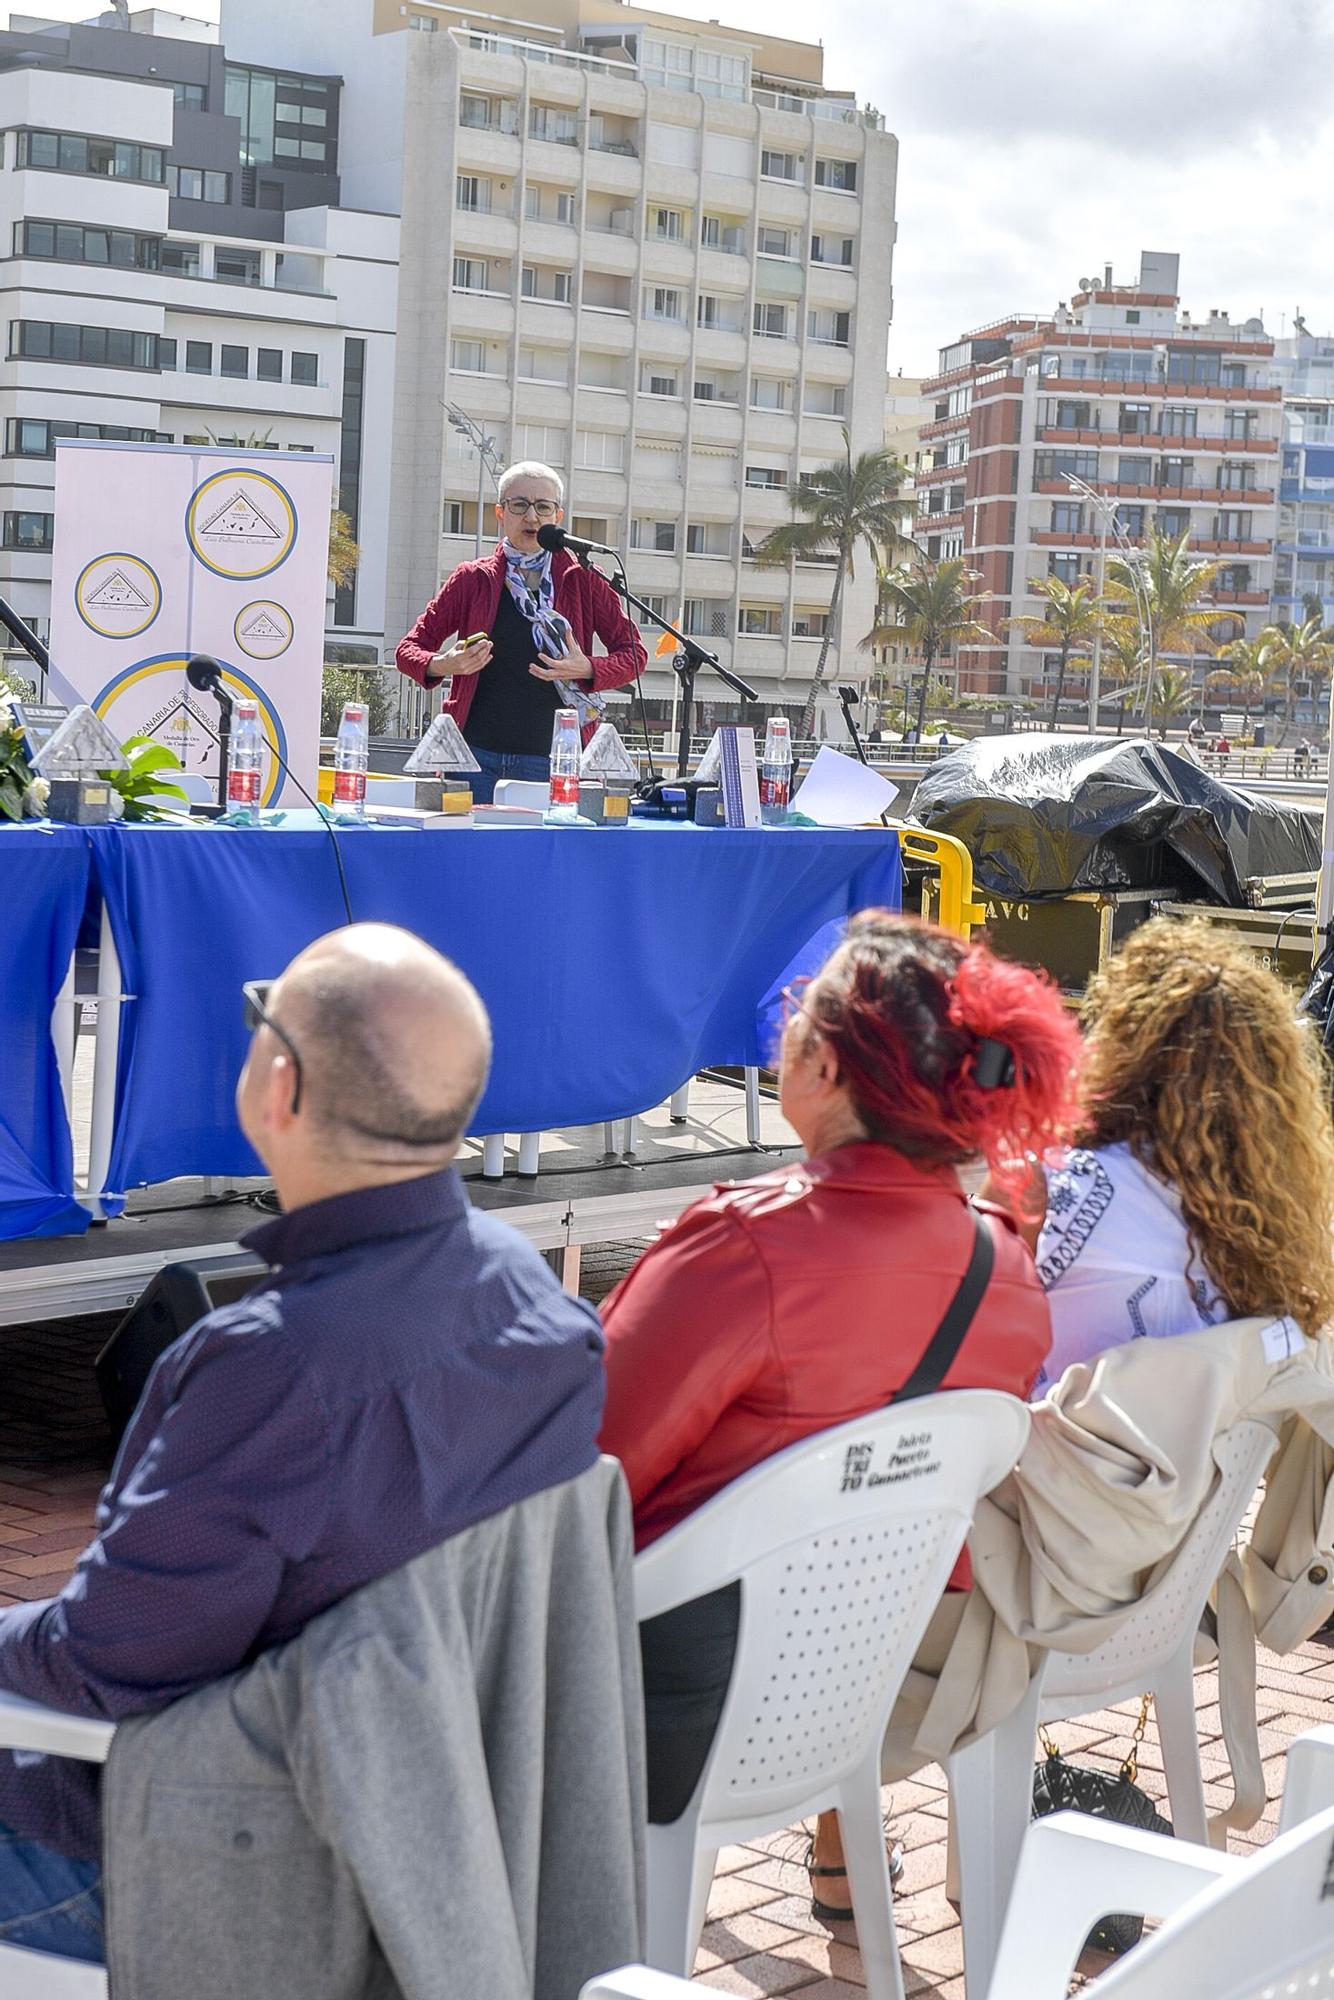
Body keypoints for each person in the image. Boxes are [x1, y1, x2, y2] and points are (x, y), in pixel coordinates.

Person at [0, 923, 606, 1964]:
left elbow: (107, 1664)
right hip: (428, 1832)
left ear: (278, 1083)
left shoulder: (270, 1368)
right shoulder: (545, 1314)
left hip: (212, 1855)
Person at [598, 911, 1081, 1907]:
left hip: (659, 1705)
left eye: (792, 1020)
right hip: (862, 1691)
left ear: (822, 1067)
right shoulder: (1003, 1272)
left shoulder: (743, 1249)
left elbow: (572, 1480)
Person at [1004, 917, 1334, 1394]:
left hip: (1058, 1459)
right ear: (1270, 1084)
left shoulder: (1054, 1184)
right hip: (1214, 1461)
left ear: (1120, 1049)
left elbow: (963, 1317)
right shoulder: (1289, 1213)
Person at [395, 461, 647, 802]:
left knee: (542, 856)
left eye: (543, 507)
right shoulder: (472, 578)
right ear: (501, 512)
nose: (531, 517)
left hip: (553, 759)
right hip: (472, 756)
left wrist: (586, 667)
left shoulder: (584, 577)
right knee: (474, 856)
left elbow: (633, 654)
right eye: (519, 505)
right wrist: (444, 664)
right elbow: (408, 650)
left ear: (558, 517)